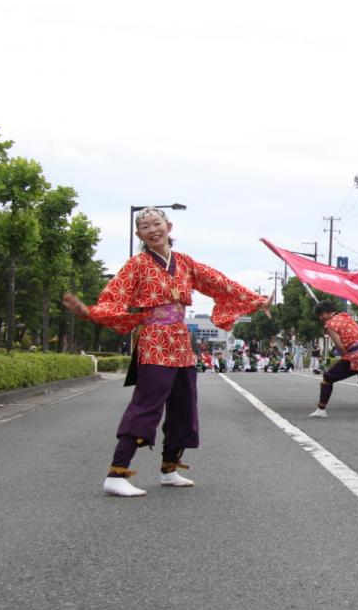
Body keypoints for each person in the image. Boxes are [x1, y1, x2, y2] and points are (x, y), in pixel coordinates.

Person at [61, 207, 269, 498]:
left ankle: (169, 469)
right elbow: (114, 295)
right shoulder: (137, 264)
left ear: (168, 227)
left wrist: (255, 299)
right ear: (139, 234)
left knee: (184, 406)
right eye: (145, 227)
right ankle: (116, 474)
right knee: (146, 406)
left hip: (181, 342)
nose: (152, 230)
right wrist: (91, 312)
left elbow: (218, 282)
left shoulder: (185, 262)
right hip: (155, 341)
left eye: (156, 223)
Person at [308, 300, 358, 418]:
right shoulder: (345, 316)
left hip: (356, 353)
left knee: (328, 378)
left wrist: (345, 356)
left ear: (329, 312)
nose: (320, 318)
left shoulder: (330, 325)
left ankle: (321, 409)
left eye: (321, 314)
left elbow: (339, 345)